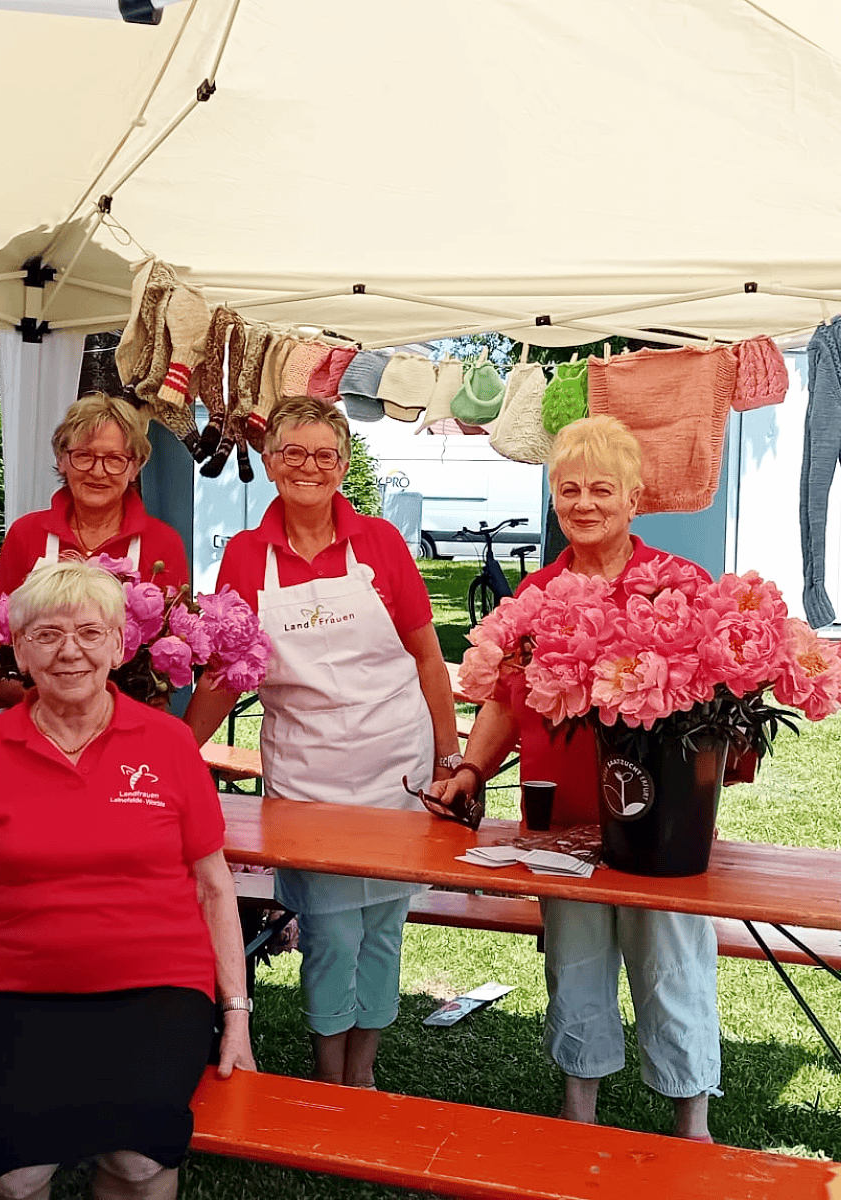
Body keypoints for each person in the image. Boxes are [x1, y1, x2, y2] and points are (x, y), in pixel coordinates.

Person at [426, 414, 720, 1140]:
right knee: (577, 965)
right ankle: (578, 1117)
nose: (583, 505)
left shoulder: (680, 588)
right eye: (568, 491)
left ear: (633, 499)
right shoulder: (537, 594)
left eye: (601, 490)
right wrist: (469, 768)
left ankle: (693, 1123)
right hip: (564, 824)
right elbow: (503, 698)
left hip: (659, 831)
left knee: (673, 967)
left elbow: (720, 706)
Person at [0, 559, 253, 1200]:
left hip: (156, 986)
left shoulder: (167, 743)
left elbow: (214, 888)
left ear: (119, 645)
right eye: (46, 634)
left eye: (88, 632)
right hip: (19, 988)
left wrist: (235, 1014)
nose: (69, 651)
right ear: (17, 649)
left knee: (137, 1161)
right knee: (14, 1178)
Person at [183, 396, 461, 1089]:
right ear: (272, 463)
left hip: (395, 770)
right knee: (332, 935)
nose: (310, 466)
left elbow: (428, 658)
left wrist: (449, 757)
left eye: (325, 454)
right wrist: (179, 748)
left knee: (383, 931)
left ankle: (362, 1073)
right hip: (308, 778)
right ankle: (328, 1074)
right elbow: (229, 671)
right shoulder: (247, 556)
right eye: (294, 453)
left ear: (342, 466)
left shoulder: (381, 545)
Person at [0, 392, 190, 712]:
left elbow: (171, 652)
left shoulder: (163, 543)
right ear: (62, 460)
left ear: (135, 467)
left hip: (126, 724)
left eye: (114, 459)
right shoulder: (27, 534)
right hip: (36, 717)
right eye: (84, 456)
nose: (97, 471)